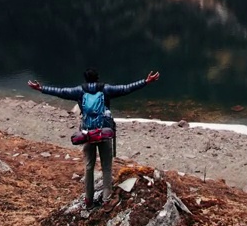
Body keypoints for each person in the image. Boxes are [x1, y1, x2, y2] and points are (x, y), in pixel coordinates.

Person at [28, 67, 160, 206]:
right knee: (107, 167)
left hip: (87, 134)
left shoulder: (79, 91)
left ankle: (88, 199)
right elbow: (126, 88)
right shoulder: (106, 89)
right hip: (104, 133)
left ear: (85, 79)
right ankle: (106, 198)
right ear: (97, 78)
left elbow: (60, 92)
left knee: (89, 167)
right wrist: (146, 81)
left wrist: (40, 88)